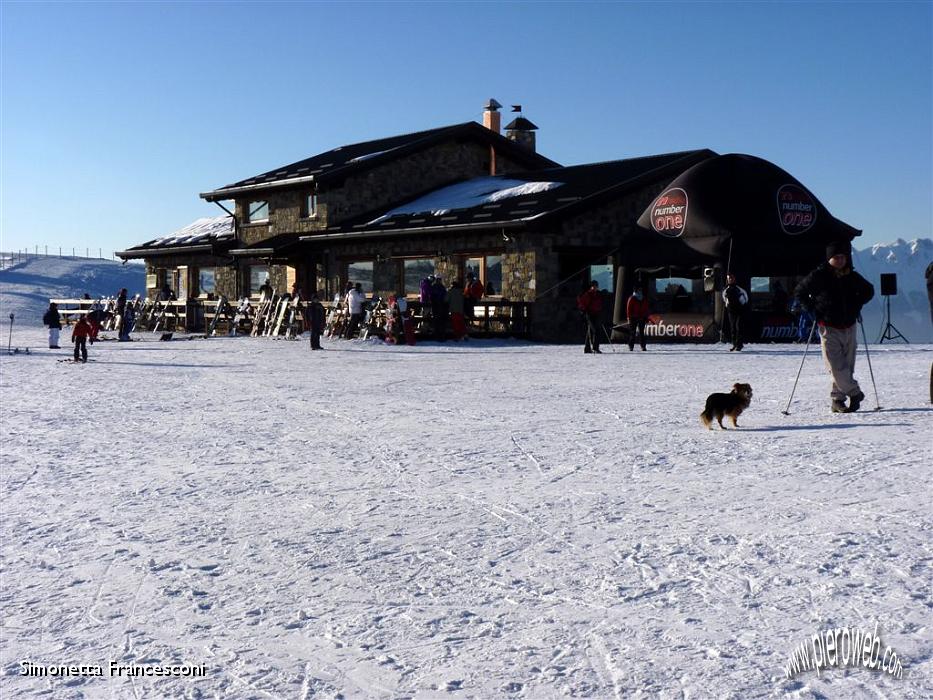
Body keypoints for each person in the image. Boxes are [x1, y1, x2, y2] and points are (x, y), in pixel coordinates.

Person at [795, 240, 875, 413]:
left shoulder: (850, 275)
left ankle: (837, 400)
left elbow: (869, 290)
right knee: (836, 365)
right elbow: (800, 293)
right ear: (829, 258)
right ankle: (855, 393)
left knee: (846, 366)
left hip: (849, 325)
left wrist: (857, 304)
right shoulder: (819, 275)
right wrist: (813, 310)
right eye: (836, 257)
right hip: (828, 326)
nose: (840, 260)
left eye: (842, 257)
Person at [722, 273, 748, 351]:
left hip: (739, 311)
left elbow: (746, 298)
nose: (730, 280)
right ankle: (734, 344)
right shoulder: (726, 290)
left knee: (738, 327)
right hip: (731, 311)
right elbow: (724, 298)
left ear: (734, 279)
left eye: (731, 278)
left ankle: (739, 344)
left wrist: (742, 304)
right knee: (733, 328)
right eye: (729, 278)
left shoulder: (739, 289)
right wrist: (727, 305)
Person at [576, 280, 603, 353]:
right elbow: (582, 303)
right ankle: (595, 348)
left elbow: (600, 304)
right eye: (594, 286)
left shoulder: (598, 294)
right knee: (595, 330)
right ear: (591, 287)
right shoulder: (588, 294)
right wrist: (584, 310)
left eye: (596, 286)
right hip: (589, 314)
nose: (595, 287)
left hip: (596, 314)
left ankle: (587, 348)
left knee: (591, 331)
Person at [626, 286, 650, 351]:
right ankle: (631, 346)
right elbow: (628, 309)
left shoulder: (644, 299)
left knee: (642, 332)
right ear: (636, 291)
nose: (640, 291)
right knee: (632, 332)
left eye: (641, 290)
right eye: (639, 290)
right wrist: (629, 318)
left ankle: (643, 346)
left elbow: (646, 309)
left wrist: (646, 317)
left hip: (642, 318)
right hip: (633, 318)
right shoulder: (632, 298)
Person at [430, 276, 449, 341]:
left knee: (438, 322)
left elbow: (431, 296)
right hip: (440, 307)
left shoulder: (434, 287)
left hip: (437, 307)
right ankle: (441, 336)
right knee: (440, 322)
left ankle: (438, 336)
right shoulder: (441, 287)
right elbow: (445, 296)